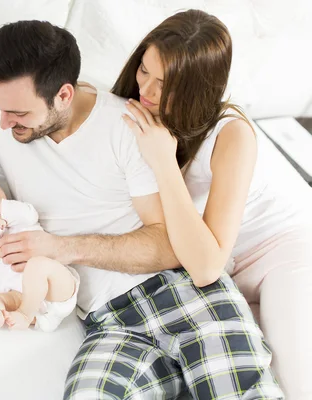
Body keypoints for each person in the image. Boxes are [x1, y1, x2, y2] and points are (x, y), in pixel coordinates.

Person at [0, 20, 283, 399]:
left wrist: (61, 247)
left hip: (183, 293)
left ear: (62, 95)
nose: (5, 122)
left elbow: (170, 245)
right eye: (144, 71)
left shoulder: (132, 125)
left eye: (20, 113)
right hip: (109, 323)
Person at [118, 9, 311, 399]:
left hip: (277, 252)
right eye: (144, 71)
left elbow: (206, 266)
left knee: (296, 382)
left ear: (197, 88)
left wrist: (161, 160)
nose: (148, 92)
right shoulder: (129, 107)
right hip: (218, 263)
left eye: (165, 84)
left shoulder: (232, 133)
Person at [0, 168, 80, 332]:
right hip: (20, 296)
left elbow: (29, 215)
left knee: (37, 265)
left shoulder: (19, 215)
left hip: (55, 287)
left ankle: (24, 314)